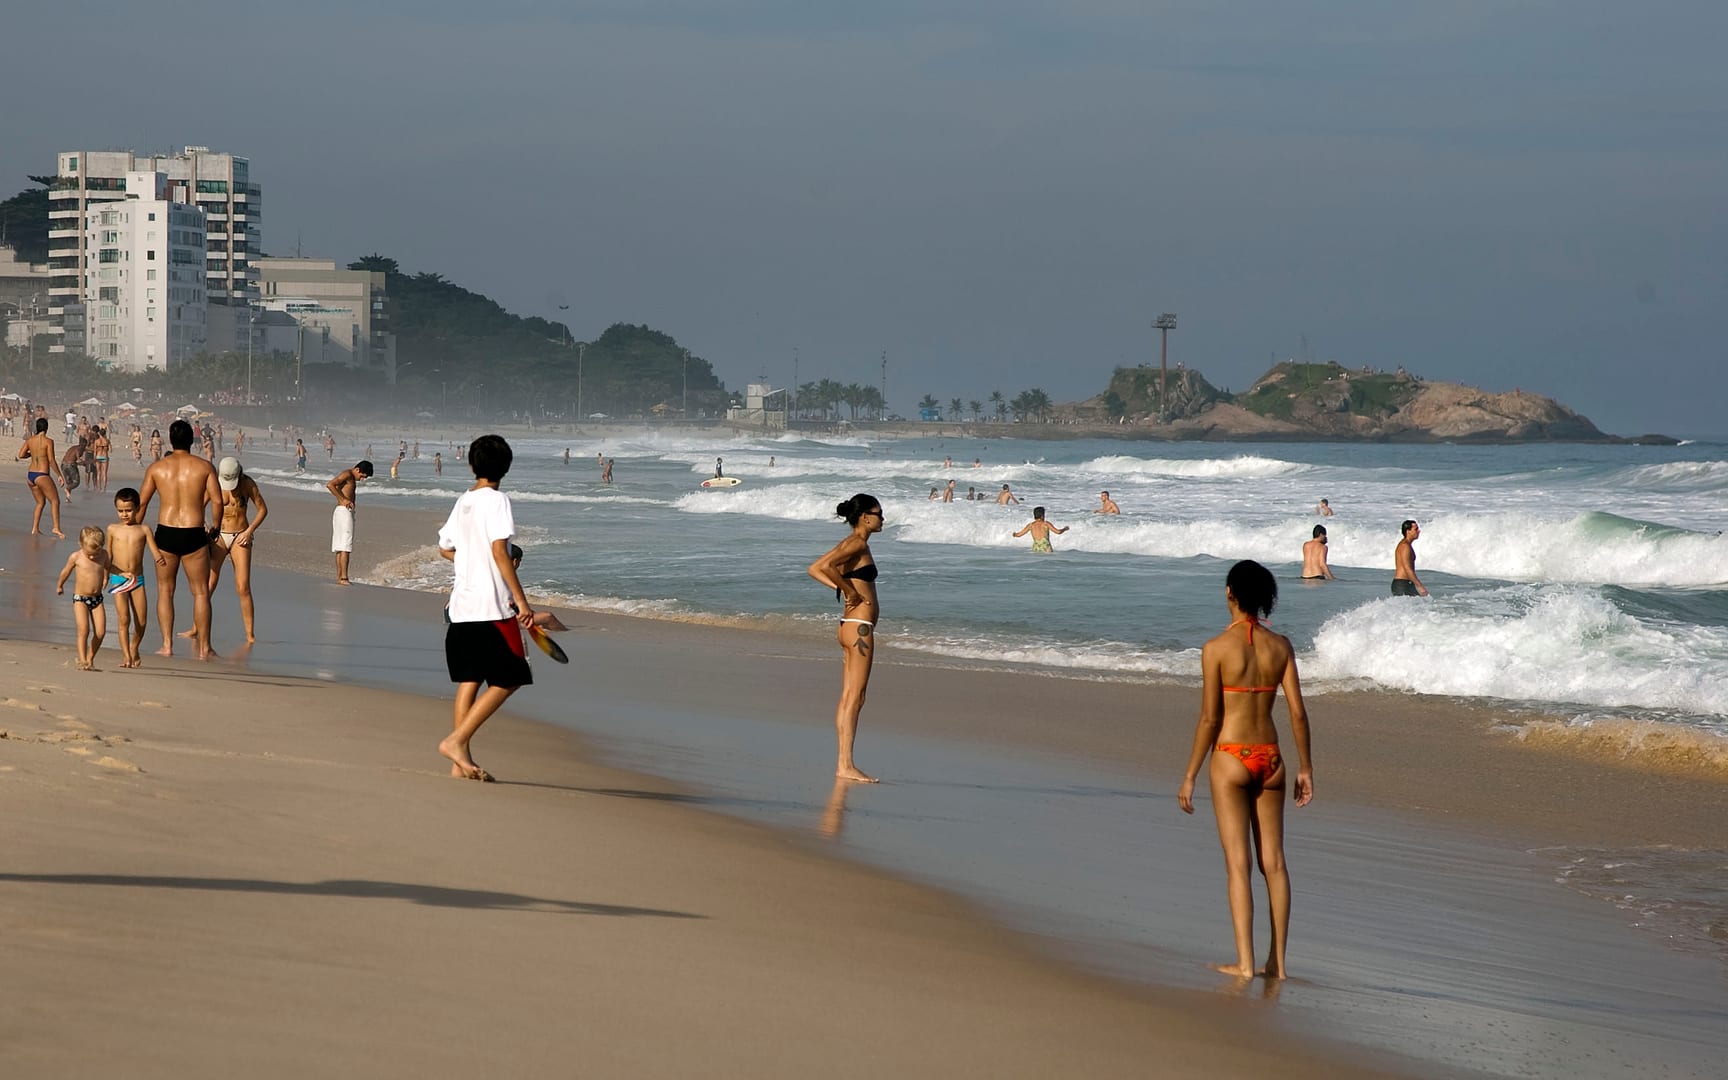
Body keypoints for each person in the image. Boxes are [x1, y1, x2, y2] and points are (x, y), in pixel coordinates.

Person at [1177, 560, 1313, 980]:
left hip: (1232, 755)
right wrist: (1305, 768)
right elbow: (1297, 713)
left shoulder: (1216, 648)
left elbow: (1209, 719)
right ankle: (1279, 965)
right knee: (1274, 863)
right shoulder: (1281, 646)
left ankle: (1244, 963)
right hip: (1271, 757)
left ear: (1230, 593)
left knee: (1238, 863)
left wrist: (1190, 774)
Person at [437, 434, 536, 782]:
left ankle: (458, 761)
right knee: (511, 678)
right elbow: (500, 551)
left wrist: (469, 559)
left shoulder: (464, 501)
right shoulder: (498, 500)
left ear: (471, 465)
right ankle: (456, 741)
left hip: (461, 607)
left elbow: (444, 547)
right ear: (506, 468)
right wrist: (521, 601)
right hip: (491, 609)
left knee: (470, 679)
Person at [806, 493, 883, 783]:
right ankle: (845, 765)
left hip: (850, 626)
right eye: (878, 513)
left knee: (850, 697)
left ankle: (844, 764)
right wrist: (848, 592)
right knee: (856, 697)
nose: (882, 519)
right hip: (859, 626)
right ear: (865, 517)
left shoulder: (853, 544)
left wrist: (841, 587)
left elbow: (818, 568)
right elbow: (819, 568)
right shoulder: (857, 543)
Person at [139, 419, 222, 660]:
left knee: (165, 590)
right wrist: (215, 528)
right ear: (191, 439)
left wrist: (133, 529)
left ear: (170, 439)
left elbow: (142, 503)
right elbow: (217, 501)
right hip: (193, 531)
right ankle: (204, 647)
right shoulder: (204, 467)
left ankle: (166, 645)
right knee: (200, 593)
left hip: (166, 532)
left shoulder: (157, 468)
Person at [206, 457, 268, 643]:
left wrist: (249, 531)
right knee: (208, 585)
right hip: (218, 536)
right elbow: (198, 506)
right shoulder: (214, 483)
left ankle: (250, 634)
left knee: (243, 587)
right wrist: (204, 525)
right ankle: (196, 627)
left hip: (240, 536)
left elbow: (262, 509)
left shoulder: (247, 483)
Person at [107, 488, 165, 669]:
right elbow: (107, 557)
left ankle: (134, 647)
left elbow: (155, 551)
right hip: (118, 578)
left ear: (138, 508)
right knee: (124, 619)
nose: (125, 514)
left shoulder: (144, 529)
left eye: (129, 510)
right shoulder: (112, 529)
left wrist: (160, 558)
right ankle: (126, 656)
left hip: (138, 580)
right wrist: (106, 575)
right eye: (121, 510)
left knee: (141, 620)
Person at [55, 526, 116, 671]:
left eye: (96, 553)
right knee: (84, 630)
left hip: (97, 599)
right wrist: (60, 585)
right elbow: (65, 571)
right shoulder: (76, 557)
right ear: (80, 544)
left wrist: (111, 576)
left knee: (100, 632)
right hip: (80, 599)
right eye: (89, 554)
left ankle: (90, 658)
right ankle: (82, 660)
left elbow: (109, 566)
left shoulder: (104, 555)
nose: (93, 557)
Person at [327, 460, 374, 585]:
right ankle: (344, 578)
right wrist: (343, 499)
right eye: (362, 476)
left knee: (340, 546)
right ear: (357, 470)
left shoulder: (350, 476)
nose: (362, 479)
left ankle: (340, 577)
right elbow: (330, 485)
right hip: (344, 512)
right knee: (345, 546)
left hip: (343, 511)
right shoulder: (347, 474)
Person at [18, 417, 66, 538]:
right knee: (55, 501)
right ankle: (56, 527)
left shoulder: (30, 440)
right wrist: (59, 475)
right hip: (42, 475)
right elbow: (51, 460)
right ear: (46, 428)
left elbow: (21, 455)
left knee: (40, 503)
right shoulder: (48, 441)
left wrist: (33, 454)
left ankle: (35, 529)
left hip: (31, 476)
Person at [1393, 519, 1428, 596]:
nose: (1418, 531)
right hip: (1402, 584)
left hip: (1405, 584)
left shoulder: (1406, 545)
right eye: (1416, 529)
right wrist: (1420, 586)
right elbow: (1407, 569)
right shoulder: (1405, 546)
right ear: (1408, 531)